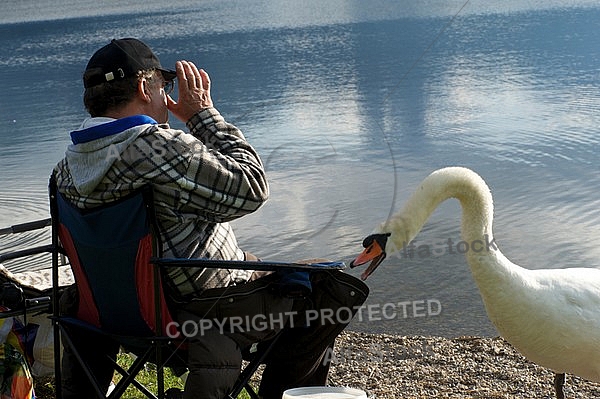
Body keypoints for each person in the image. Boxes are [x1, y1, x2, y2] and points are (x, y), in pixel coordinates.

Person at [54, 38, 368, 399]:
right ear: (144, 87)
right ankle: (284, 395)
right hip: (199, 312)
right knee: (330, 286)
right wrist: (202, 116)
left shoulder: (65, 170)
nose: (167, 97)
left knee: (260, 262)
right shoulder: (160, 148)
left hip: (114, 312)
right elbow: (251, 187)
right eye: (164, 86)